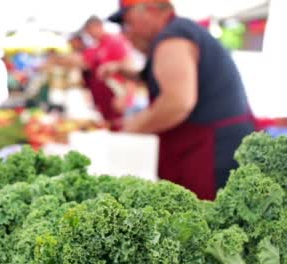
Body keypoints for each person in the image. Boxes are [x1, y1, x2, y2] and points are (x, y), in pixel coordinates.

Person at [103, 0, 255, 199]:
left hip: (211, 153)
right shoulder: (178, 31)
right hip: (218, 146)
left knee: (206, 219)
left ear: (149, 11)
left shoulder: (173, 38)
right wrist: (131, 74)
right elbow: (168, 77)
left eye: (128, 22)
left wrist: (130, 129)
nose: (126, 32)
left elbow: (177, 103)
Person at [48, 16, 133, 122]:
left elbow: (130, 68)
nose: (89, 34)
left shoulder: (115, 41)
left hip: (118, 99)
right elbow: (82, 61)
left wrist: (125, 98)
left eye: (89, 30)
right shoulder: (96, 46)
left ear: (98, 26)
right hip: (104, 103)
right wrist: (57, 58)